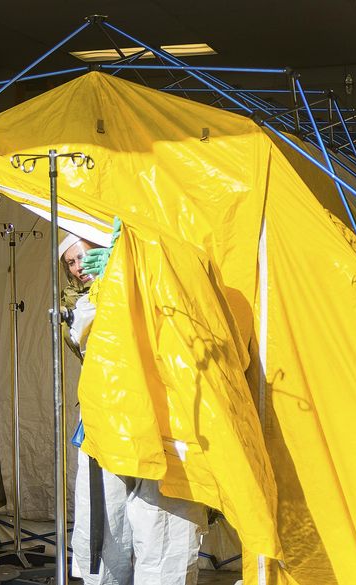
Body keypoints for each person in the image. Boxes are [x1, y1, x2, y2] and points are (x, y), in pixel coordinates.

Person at [60, 220, 207, 585]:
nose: (79, 268)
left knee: (165, 533)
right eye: (70, 263)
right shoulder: (80, 305)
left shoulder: (160, 277)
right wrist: (114, 279)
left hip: (163, 424)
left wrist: (130, 265)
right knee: (103, 531)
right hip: (105, 428)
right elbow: (86, 331)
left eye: (83, 256)